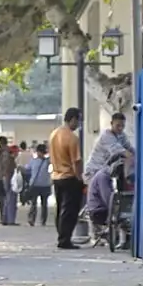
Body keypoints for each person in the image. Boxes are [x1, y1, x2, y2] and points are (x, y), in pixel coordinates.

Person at [49, 107, 85, 250]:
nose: (79, 124)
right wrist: (79, 178)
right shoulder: (72, 138)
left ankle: (61, 235)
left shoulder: (54, 134)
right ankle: (65, 239)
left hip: (56, 176)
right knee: (70, 210)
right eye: (79, 120)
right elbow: (76, 161)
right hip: (69, 177)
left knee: (60, 209)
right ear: (73, 119)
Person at [83, 111, 135, 182]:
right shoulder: (106, 136)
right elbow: (125, 153)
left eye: (123, 126)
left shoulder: (122, 135)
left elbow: (131, 149)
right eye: (118, 125)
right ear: (111, 123)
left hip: (104, 172)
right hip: (93, 172)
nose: (120, 128)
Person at [0, 134, 18, 225]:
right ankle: (7, 218)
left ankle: (5, 218)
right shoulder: (5, 153)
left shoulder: (2, 153)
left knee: (3, 198)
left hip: (1, 177)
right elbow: (6, 165)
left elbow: (0, 165)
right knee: (8, 198)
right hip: (6, 177)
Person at [25, 143, 51, 226]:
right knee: (34, 203)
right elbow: (27, 169)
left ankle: (42, 220)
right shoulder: (33, 161)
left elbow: (27, 169)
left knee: (44, 204)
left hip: (44, 185)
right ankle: (32, 219)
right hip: (36, 185)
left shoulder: (47, 161)